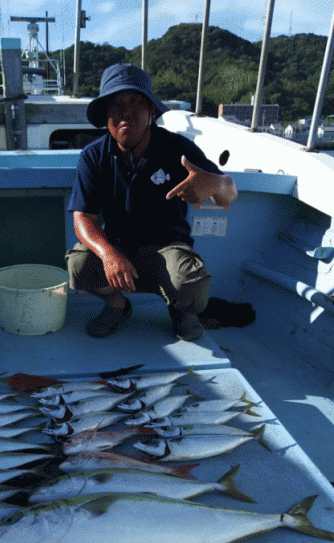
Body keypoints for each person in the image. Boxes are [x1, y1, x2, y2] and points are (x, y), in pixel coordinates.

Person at [65, 63, 238, 340]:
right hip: (119, 250)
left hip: (168, 249)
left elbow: (229, 192)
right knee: (79, 265)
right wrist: (109, 255)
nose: (125, 112)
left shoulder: (179, 148)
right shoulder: (92, 156)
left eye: (135, 102)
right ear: (106, 115)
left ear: (152, 111)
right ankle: (118, 306)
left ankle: (182, 312)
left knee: (190, 284)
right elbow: (82, 217)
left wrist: (217, 183)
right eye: (115, 104)